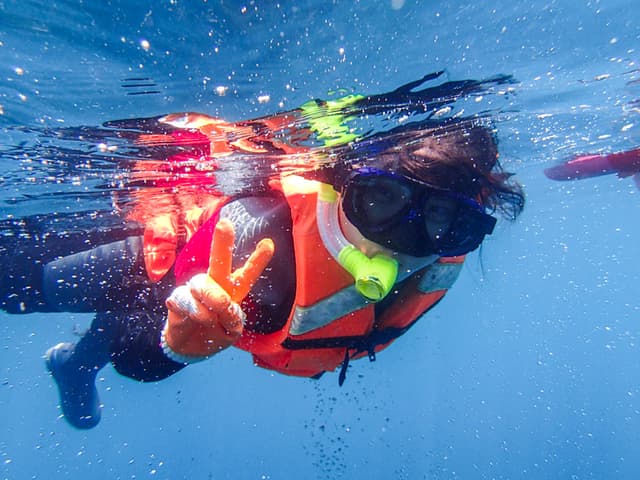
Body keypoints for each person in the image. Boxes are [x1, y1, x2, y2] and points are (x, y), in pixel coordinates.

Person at [0, 73, 525, 429]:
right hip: (167, 259)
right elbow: (137, 363)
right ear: (341, 184)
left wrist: (187, 345)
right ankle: (76, 362)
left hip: (219, 310)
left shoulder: (438, 265)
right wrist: (179, 346)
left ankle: (74, 365)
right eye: (382, 201)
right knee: (21, 284)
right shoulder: (261, 248)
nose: (401, 242)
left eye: (445, 223)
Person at [544, 147, 640, 188]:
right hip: (620, 161)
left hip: (621, 162)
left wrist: (633, 169)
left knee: (557, 173)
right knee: (558, 173)